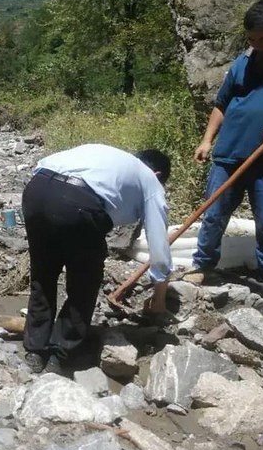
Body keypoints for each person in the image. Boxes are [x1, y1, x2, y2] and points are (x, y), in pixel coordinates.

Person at [22, 145, 173, 373]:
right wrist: (159, 298)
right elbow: (159, 247)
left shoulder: (113, 160)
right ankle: (60, 355)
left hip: (36, 192)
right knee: (84, 282)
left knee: (44, 274)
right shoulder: (150, 180)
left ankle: (35, 349)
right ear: (158, 175)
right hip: (78, 204)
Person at [191, 0, 263, 285]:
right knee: (213, 213)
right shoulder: (243, 62)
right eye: (252, 39)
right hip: (229, 154)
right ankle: (203, 265)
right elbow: (222, 104)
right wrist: (207, 141)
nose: (257, 45)